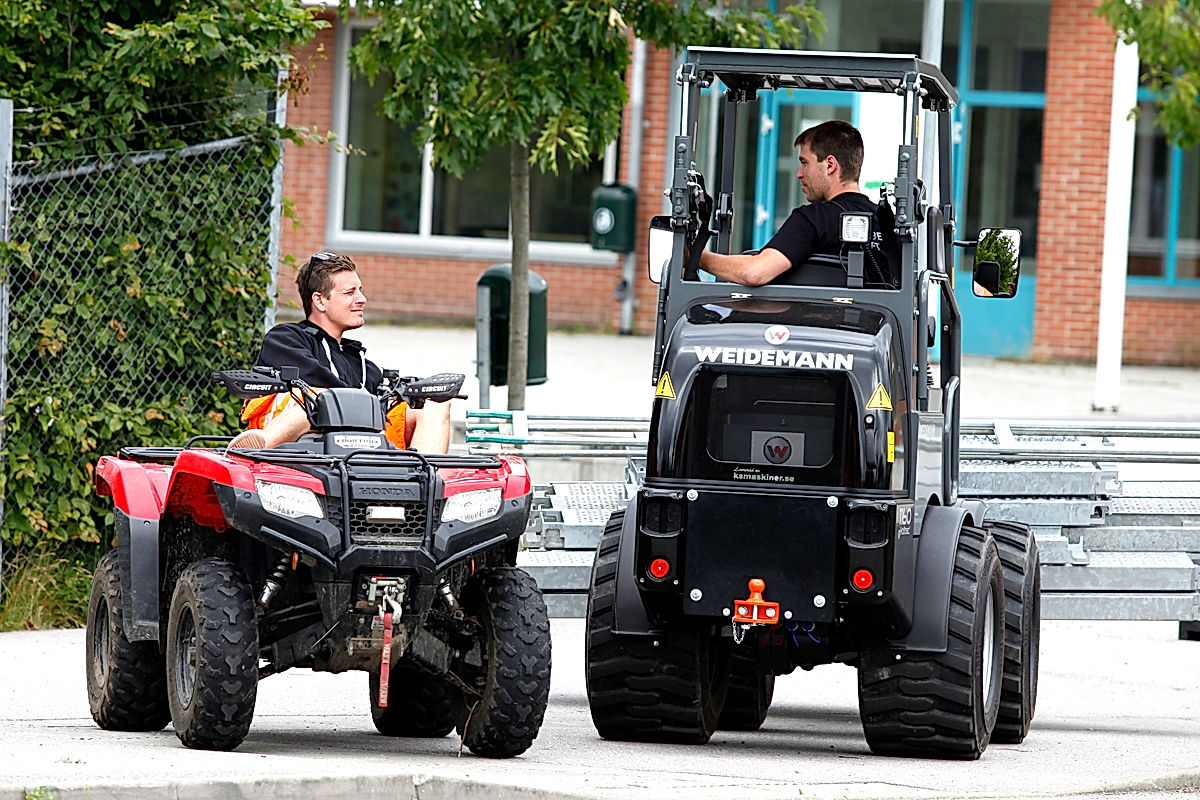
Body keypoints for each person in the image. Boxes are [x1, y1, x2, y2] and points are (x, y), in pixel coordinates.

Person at [227, 252, 451, 453]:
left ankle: (424, 482)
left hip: (359, 440)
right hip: (300, 438)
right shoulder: (285, 339)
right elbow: (317, 379)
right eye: (350, 292)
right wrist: (367, 403)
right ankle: (257, 446)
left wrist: (418, 392)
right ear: (320, 300)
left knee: (433, 405)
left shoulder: (362, 363)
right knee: (317, 396)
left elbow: (389, 399)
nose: (362, 299)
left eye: (360, 291)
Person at [699, 120, 890, 287]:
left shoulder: (814, 218)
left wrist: (699, 258)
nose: (800, 173)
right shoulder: (889, 224)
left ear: (830, 165)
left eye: (805, 162)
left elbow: (755, 273)